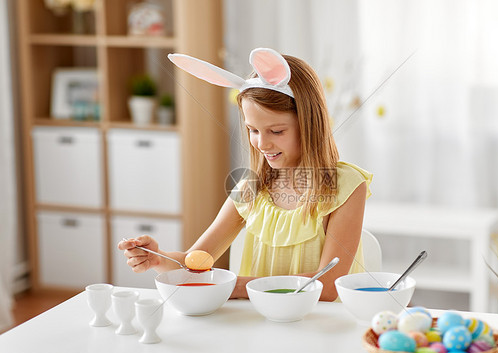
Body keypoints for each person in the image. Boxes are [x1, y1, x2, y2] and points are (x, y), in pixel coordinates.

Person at [118, 48, 372, 301]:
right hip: (260, 324)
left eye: (276, 131)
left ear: (309, 124)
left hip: (321, 327)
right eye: (253, 130)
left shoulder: (346, 186)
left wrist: (237, 287)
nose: (262, 144)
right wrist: (157, 258)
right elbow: (194, 262)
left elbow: (327, 286)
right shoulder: (251, 189)